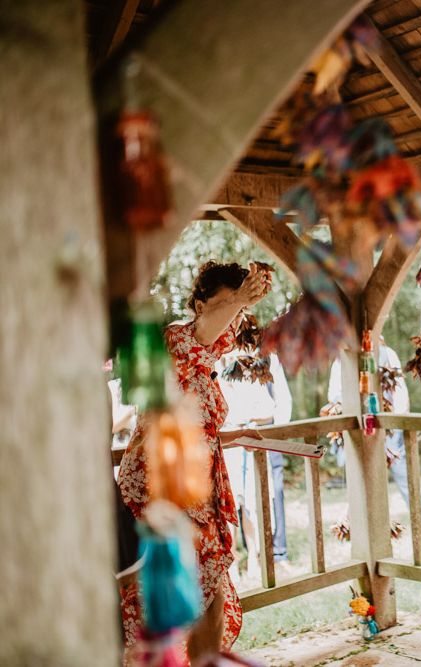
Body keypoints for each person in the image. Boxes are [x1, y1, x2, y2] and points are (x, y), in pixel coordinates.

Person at [117, 261, 271, 661]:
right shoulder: (176, 341)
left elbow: (194, 421)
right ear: (199, 305)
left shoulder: (207, 359)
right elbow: (205, 335)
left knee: (212, 596)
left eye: (235, 309)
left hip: (200, 491)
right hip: (159, 491)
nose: (232, 315)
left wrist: (233, 437)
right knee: (158, 605)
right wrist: (240, 297)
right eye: (223, 305)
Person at [328, 339, 421, 532]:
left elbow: (400, 392)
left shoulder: (388, 353)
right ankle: (362, 523)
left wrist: (397, 422)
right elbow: (333, 394)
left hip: (389, 424)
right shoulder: (340, 359)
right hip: (358, 426)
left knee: (402, 473)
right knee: (359, 473)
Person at [217, 347, 293, 573]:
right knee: (231, 502)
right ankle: (233, 560)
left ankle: (257, 556)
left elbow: (273, 405)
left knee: (256, 499)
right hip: (229, 442)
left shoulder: (260, 366)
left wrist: (256, 422)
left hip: (257, 437)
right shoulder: (216, 368)